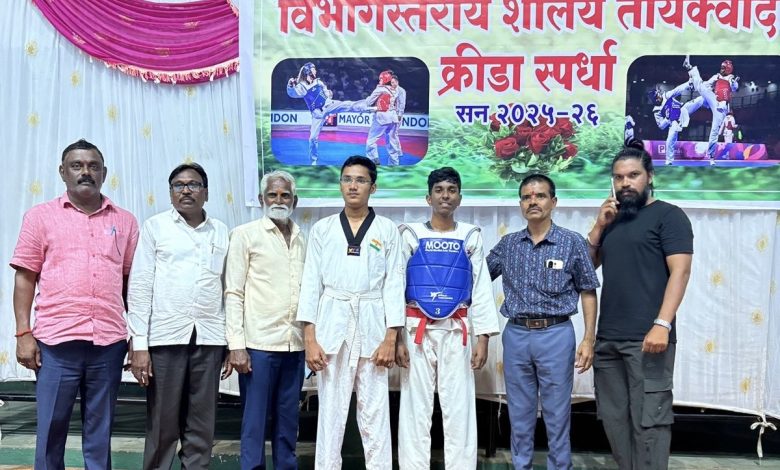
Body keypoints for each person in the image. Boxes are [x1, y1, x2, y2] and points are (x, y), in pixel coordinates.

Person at [11, 138, 139, 469]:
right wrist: (23, 333)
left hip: (108, 344)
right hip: (56, 344)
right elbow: (25, 278)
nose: (86, 172)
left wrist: (138, 338)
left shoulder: (125, 221)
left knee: (101, 430)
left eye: (93, 166)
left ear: (104, 173)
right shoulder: (40, 217)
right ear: (63, 172)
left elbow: (131, 283)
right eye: (77, 166)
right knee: (51, 430)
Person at [586, 141, 693, 470]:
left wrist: (662, 324)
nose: (625, 183)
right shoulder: (613, 219)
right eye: (619, 178)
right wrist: (599, 226)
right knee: (614, 422)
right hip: (608, 340)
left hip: (649, 340)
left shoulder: (669, 216)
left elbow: (681, 272)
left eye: (633, 175)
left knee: (650, 424)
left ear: (650, 176)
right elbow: (586, 268)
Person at [297, 156, 405, 470]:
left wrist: (391, 337)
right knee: (330, 415)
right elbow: (310, 284)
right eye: (347, 179)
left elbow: (394, 284)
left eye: (360, 180)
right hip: (332, 324)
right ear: (340, 184)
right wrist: (309, 339)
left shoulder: (386, 230)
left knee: (375, 415)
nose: (353, 186)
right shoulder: (323, 229)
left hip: (373, 325)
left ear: (373, 187)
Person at [487, 174, 599, 470]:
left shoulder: (572, 242)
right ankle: (520, 465)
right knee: (519, 412)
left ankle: (559, 466)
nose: (533, 201)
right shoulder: (509, 244)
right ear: (520, 204)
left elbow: (588, 290)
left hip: (556, 334)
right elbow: (478, 278)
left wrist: (589, 339)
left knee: (557, 412)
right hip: (516, 335)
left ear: (553, 201)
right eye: (526, 197)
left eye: (540, 196)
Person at [396, 167, 500, 469]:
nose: (445, 195)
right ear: (428, 197)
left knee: (460, 407)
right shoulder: (410, 235)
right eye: (439, 190)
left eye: (451, 190)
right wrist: (397, 338)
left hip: (457, 330)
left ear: (460, 198)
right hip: (416, 329)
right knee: (415, 407)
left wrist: (484, 338)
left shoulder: (470, 235)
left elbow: (481, 288)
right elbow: (396, 287)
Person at [127, 163, 229, 469]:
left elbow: (228, 288)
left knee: (202, 425)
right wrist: (139, 345)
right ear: (171, 193)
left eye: (194, 185)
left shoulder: (221, 231)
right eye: (178, 185)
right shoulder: (155, 227)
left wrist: (230, 343)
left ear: (206, 192)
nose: (186, 190)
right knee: (163, 424)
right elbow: (140, 286)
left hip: (210, 338)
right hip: (165, 338)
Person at [224, 170, 306, 470]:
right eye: (272, 195)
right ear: (262, 199)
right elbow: (233, 292)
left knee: (288, 423)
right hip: (258, 346)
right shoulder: (245, 235)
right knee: (255, 424)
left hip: (295, 345)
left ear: (295, 200)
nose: (278, 200)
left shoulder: (302, 238)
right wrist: (236, 345)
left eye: (285, 195)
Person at [287, 62, 373, 165]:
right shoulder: (302, 86)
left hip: (328, 105)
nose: (316, 71)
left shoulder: (318, 82)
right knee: (313, 138)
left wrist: (329, 94)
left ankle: (366, 106)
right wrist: (290, 86)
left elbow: (326, 91)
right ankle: (313, 160)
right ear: (308, 71)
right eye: (314, 69)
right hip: (317, 114)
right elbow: (293, 94)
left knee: (347, 105)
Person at [682, 55, 739, 165]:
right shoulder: (716, 76)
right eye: (721, 67)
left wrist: (734, 83)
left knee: (714, 131)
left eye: (723, 68)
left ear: (728, 70)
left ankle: (711, 157)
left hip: (721, 108)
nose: (721, 69)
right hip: (713, 99)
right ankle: (684, 111)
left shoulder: (730, 77)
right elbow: (706, 84)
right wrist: (702, 87)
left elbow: (735, 87)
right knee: (701, 94)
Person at [648, 84, 704, 165]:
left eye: (657, 96)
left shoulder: (666, 96)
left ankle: (712, 99)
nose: (658, 98)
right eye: (655, 99)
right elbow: (661, 126)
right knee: (669, 140)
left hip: (682, 111)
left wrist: (688, 84)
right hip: (673, 122)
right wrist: (667, 119)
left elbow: (678, 89)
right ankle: (669, 160)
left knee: (699, 100)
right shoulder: (657, 111)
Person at [365, 70, 403, 166]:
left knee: (371, 141)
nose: (379, 80)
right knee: (392, 143)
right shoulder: (395, 90)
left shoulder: (380, 89)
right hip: (393, 118)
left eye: (381, 79)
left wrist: (376, 89)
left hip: (382, 118)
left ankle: (373, 160)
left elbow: (369, 102)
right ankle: (394, 164)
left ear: (385, 79)